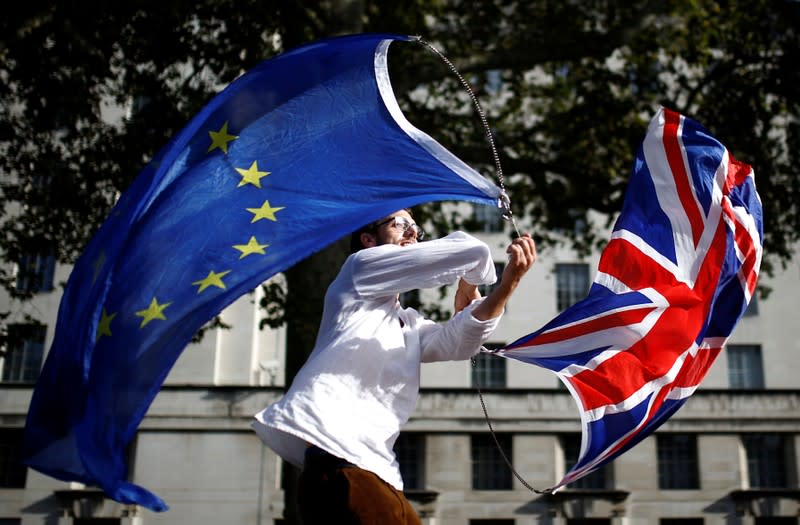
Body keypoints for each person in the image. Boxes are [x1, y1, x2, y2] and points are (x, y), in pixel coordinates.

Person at [252, 209, 536, 524]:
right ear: (368, 239)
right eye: (400, 224)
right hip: (342, 461)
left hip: (371, 469)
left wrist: (507, 286)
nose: (412, 233)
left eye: (415, 227)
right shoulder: (357, 271)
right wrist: (477, 278)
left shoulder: (407, 324)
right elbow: (471, 251)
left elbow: (460, 343)